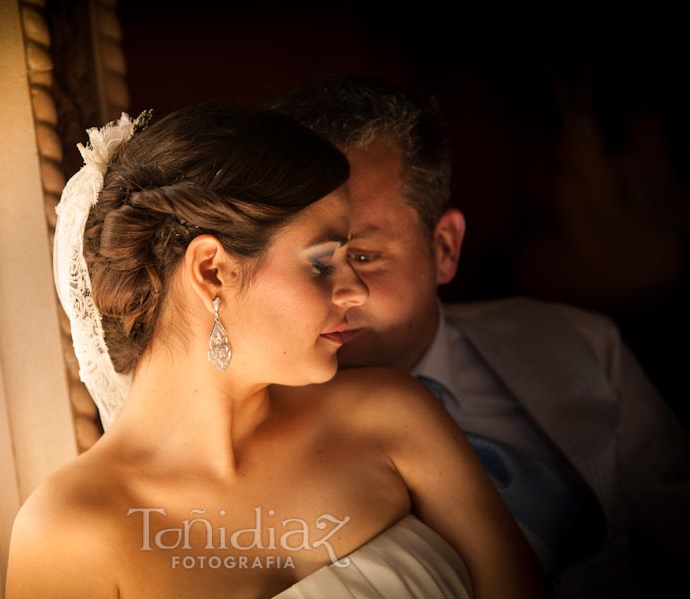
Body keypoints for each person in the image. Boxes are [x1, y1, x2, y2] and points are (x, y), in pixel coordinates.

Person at [5, 104, 546, 598]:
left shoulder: (392, 418)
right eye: (321, 262)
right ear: (211, 271)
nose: (354, 291)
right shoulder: (68, 532)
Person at [268, 76, 690, 598]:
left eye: (363, 256)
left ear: (444, 247)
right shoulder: (236, 424)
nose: (337, 293)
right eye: (309, 260)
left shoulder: (580, 345)